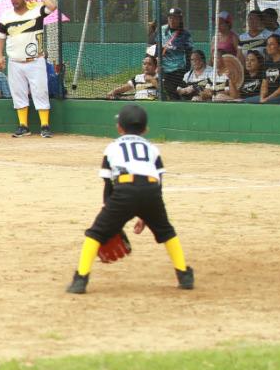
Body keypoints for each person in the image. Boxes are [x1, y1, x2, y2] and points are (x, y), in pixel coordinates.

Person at [66, 104, 192, 294]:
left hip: (124, 190)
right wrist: (146, 215)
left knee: (95, 234)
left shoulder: (112, 148)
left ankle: (80, 279)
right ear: (146, 129)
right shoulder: (152, 148)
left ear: (119, 128)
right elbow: (159, 182)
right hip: (151, 190)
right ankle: (184, 275)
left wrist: (112, 221)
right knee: (166, 231)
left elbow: (108, 186)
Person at [0, 0, 57, 138]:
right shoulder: (6, 16)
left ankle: (45, 126)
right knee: (18, 93)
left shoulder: (36, 11)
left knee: (40, 91)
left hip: (35, 60)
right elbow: (0, 37)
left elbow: (52, 7)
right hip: (15, 61)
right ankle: (23, 126)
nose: (14, 0)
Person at [156, 8, 192, 100]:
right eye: (170, 18)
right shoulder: (161, 30)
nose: (172, 20)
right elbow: (157, 48)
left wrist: (186, 70)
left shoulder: (185, 34)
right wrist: (157, 64)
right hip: (164, 69)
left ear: (180, 19)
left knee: (173, 91)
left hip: (178, 69)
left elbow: (189, 53)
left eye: (175, 18)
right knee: (166, 92)